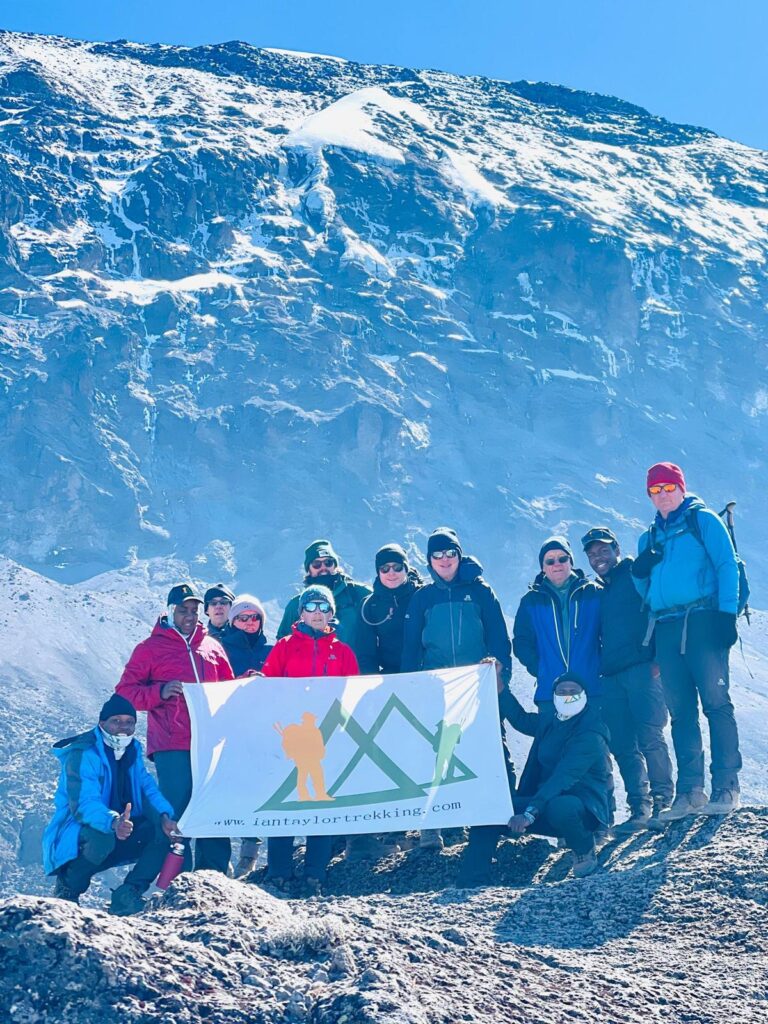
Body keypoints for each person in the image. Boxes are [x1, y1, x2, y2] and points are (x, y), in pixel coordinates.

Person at [632, 462, 742, 819]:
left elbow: (726, 565)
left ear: (681, 488)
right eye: (655, 490)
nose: (662, 495)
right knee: (680, 712)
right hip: (666, 625)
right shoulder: (649, 538)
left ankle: (726, 786)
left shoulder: (702, 521)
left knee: (715, 703)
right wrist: (639, 573)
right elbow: (646, 590)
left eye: (668, 487)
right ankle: (690, 792)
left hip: (703, 621)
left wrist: (726, 615)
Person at [401, 527, 513, 851]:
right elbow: (411, 647)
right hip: (436, 690)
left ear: (459, 555)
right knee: (434, 755)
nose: (445, 559)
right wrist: (410, 685)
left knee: (491, 750)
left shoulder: (480, 591)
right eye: (437, 554)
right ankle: (431, 827)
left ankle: (500, 819)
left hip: (476, 688)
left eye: (450, 553)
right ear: (429, 560)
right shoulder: (422, 598)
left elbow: (499, 637)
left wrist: (501, 672)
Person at [116, 583, 235, 874]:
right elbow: (125, 692)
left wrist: (250, 683)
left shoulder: (211, 647)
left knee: (214, 809)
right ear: (170, 612)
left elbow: (229, 689)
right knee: (176, 815)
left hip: (210, 744)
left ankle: (214, 878)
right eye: (183, 610)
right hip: (172, 744)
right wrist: (159, 692)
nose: (190, 616)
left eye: (194, 610)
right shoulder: (150, 649)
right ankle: (179, 881)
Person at [460, 672, 613, 885]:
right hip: (542, 803)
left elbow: (564, 777)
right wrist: (500, 687)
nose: (568, 696)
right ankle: (472, 881)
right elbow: (521, 720)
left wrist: (530, 813)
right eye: (562, 691)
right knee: (490, 809)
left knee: (562, 806)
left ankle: (583, 848)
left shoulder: (592, 731)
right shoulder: (550, 721)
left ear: (585, 695)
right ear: (554, 696)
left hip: (581, 808)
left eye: (573, 691)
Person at [261, 584, 359, 892]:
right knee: (285, 802)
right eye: (311, 606)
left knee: (321, 802)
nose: (318, 613)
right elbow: (267, 689)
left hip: (326, 740)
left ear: (332, 613)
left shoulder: (342, 652)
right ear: (301, 612)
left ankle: (316, 873)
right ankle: (279, 872)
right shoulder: (284, 647)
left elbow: (353, 696)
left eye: (324, 607)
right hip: (290, 741)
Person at [42, 694, 179, 915]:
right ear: (102, 723)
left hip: (121, 826)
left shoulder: (132, 750)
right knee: (101, 838)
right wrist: (113, 821)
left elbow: (147, 788)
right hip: (79, 829)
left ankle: (128, 894)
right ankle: (68, 889)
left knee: (163, 833)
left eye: (129, 722)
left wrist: (164, 816)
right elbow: (84, 803)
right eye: (116, 721)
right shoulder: (82, 753)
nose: (123, 727)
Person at [582, 527, 674, 832]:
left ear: (616, 550)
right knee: (623, 744)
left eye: (603, 550)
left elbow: (660, 608)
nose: (598, 557)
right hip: (610, 676)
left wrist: (658, 657)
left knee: (650, 736)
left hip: (642, 669)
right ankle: (639, 809)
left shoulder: (635, 574)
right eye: (592, 554)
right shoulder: (599, 590)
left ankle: (663, 802)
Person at [512, 536, 602, 715]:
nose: (557, 564)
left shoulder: (593, 593)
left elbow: (611, 634)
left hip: (592, 690)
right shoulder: (531, 601)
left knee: (593, 733)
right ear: (543, 567)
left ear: (571, 562)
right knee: (552, 734)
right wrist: (541, 669)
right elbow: (521, 642)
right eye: (550, 561)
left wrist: (599, 666)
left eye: (562, 558)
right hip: (550, 693)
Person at [219, 593, 274, 878]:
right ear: (232, 621)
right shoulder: (219, 649)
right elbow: (214, 685)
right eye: (242, 617)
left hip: (266, 729)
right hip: (231, 730)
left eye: (255, 617)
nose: (249, 622)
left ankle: (250, 855)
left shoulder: (272, 650)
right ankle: (221, 857)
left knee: (263, 788)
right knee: (231, 789)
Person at [276, 540, 371, 656]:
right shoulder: (296, 605)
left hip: (355, 666)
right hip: (314, 667)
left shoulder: (358, 594)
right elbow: (282, 645)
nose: (323, 568)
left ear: (335, 565)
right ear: (308, 569)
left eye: (328, 562)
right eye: (317, 564)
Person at [358, 543, 424, 674]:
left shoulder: (421, 596)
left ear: (406, 569)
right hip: (390, 676)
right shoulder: (369, 605)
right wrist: (371, 679)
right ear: (378, 572)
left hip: (424, 672)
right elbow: (365, 651)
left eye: (397, 567)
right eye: (385, 568)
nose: (391, 573)